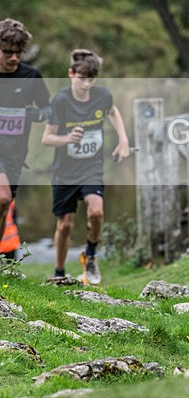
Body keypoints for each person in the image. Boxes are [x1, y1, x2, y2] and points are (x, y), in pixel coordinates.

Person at [41, 49, 130, 284]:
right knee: (66, 225)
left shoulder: (102, 96)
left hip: (92, 167)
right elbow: (47, 138)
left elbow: (113, 112)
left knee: (96, 211)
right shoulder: (61, 101)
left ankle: (90, 255)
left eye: (91, 79)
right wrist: (68, 138)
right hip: (65, 171)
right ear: (71, 74)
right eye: (82, 78)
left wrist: (123, 140)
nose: (86, 85)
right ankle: (59, 272)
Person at [0, 18, 51, 241]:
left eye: (18, 53)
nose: (14, 58)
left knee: (4, 207)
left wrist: (37, 115)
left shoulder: (31, 76)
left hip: (15, 154)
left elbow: (49, 108)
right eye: (7, 52)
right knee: (3, 198)